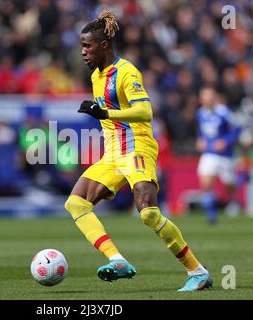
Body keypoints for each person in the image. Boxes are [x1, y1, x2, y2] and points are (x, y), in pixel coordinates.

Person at [64, 10, 213, 292]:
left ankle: (198, 271)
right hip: (111, 154)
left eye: (87, 46)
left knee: (149, 214)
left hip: (136, 148)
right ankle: (117, 259)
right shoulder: (96, 75)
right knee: (75, 203)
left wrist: (105, 112)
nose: (83, 52)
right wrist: (102, 114)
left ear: (104, 46)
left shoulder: (126, 72)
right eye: (81, 46)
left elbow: (145, 110)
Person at [196, 87, 241, 223]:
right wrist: (200, 139)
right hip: (209, 153)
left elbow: (238, 129)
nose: (208, 100)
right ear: (201, 99)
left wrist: (225, 141)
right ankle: (212, 215)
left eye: (210, 97)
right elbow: (201, 130)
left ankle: (240, 185)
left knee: (229, 184)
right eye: (205, 97)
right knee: (206, 183)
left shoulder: (224, 112)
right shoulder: (200, 113)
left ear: (214, 98)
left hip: (225, 155)